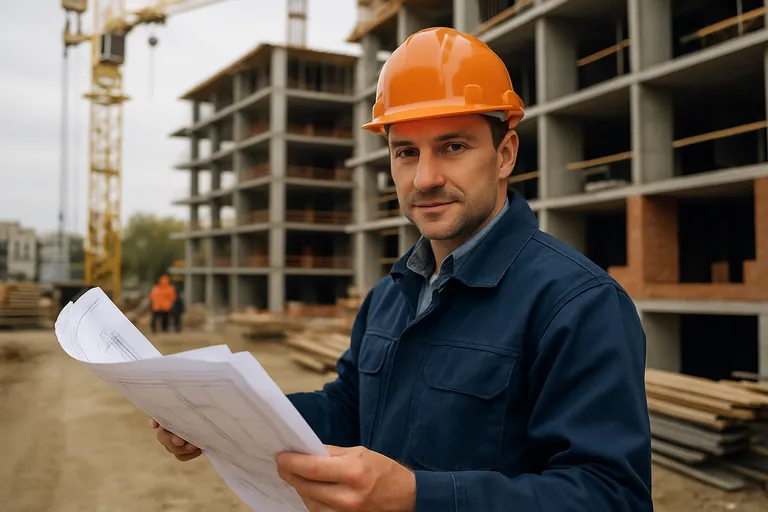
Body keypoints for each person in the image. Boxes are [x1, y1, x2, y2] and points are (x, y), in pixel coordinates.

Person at [152, 27, 653, 511]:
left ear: (505, 155)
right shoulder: (390, 295)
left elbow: (612, 496)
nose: (425, 178)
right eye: (406, 152)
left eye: (453, 147)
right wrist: (225, 420)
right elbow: (350, 409)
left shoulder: (577, 304)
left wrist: (417, 497)